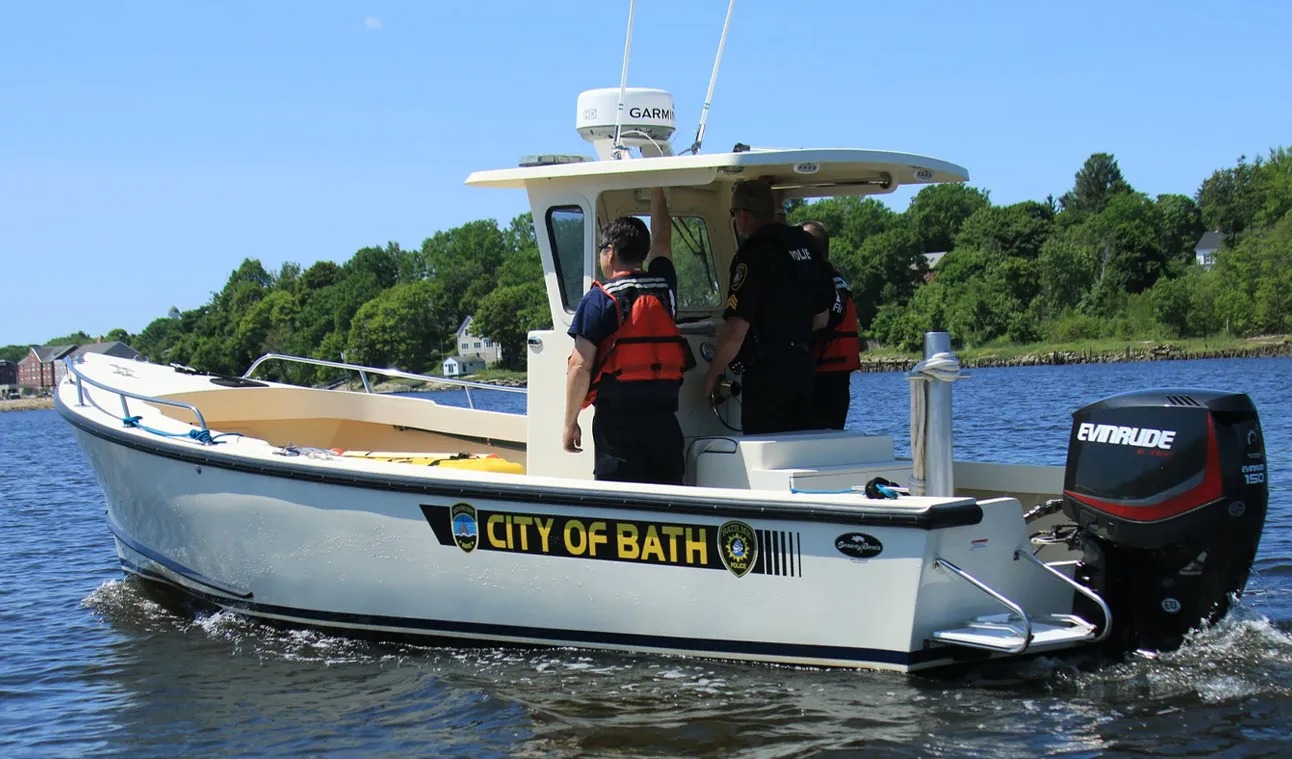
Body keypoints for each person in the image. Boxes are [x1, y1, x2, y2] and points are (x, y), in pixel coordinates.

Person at [563, 189, 687, 484]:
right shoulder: (665, 287)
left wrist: (570, 423)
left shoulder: (599, 299)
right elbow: (662, 240)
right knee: (668, 505)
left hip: (617, 428)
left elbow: (579, 366)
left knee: (622, 509)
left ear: (611, 253)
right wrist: (659, 192)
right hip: (665, 423)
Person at [702, 180, 834, 434]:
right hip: (804, 367)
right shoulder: (803, 245)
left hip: (769, 373)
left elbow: (736, 329)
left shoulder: (754, 254)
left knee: (766, 445)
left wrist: (712, 376)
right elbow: (822, 318)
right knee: (798, 443)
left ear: (743, 215)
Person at [801, 220, 861, 430]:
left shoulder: (819, 281)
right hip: (839, 377)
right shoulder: (838, 281)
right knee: (831, 436)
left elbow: (821, 321)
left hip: (821, 376)